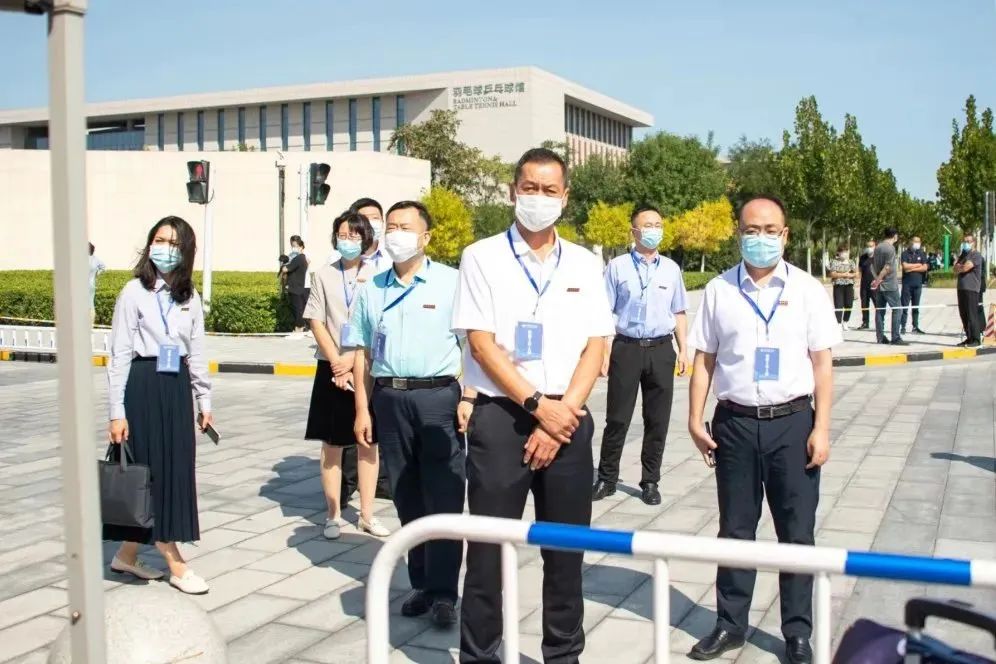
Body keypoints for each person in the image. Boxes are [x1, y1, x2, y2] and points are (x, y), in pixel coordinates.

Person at [453, 147, 615, 663]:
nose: (538, 198)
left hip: (568, 418)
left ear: (565, 197)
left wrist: (559, 414)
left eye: (549, 190)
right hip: (503, 418)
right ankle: (480, 655)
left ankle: (563, 655)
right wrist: (536, 405)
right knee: (488, 554)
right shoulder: (481, 257)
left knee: (565, 554)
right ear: (512, 192)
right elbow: (481, 344)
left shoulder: (586, 263)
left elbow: (596, 345)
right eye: (529, 188)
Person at [687, 196, 840, 664]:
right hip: (734, 424)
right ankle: (730, 624)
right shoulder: (718, 290)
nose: (761, 238)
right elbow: (704, 360)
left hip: (792, 423)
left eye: (770, 230)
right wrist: (694, 419)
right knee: (735, 529)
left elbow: (823, 364)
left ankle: (797, 632)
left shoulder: (808, 290)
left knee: (797, 532)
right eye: (752, 229)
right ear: (739, 232)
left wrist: (822, 428)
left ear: (785, 235)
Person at [346, 200, 467, 628]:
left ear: (426, 237)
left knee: (444, 494)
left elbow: (473, 347)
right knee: (406, 494)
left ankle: (446, 592)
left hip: (438, 399)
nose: (396, 234)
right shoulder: (371, 288)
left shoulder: (453, 283)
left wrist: (469, 398)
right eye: (391, 226)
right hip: (389, 398)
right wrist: (362, 408)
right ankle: (422, 584)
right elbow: (362, 353)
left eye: (405, 227)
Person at [105, 216, 214, 595]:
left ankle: (127, 554)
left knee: (175, 469)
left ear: (186, 251)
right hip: (144, 385)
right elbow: (119, 354)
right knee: (149, 472)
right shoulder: (133, 292)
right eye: (159, 240)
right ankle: (175, 562)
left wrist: (204, 398)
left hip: (176, 387)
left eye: (173, 243)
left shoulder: (190, 296)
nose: (165, 248)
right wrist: (116, 411)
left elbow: (196, 351)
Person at [592, 204, 688, 506]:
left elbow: (679, 311)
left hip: (661, 349)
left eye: (658, 224)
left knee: (657, 420)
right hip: (626, 348)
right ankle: (607, 478)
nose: (653, 230)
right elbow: (604, 312)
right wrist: (604, 350)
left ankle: (650, 481)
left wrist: (684, 349)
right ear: (634, 231)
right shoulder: (617, 267)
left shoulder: (671, 269)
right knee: (617, 418)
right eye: (647, 225)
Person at [304, 210, 390, 540]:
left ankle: (367, 514)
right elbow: (316, 320)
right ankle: (333, 514)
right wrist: (336, 361)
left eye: (355, 235)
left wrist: (351, 359)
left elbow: (377, 325)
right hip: (331, 366)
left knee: (368, 441)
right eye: (343, 234)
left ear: (366, 238)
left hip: (365, 364)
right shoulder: (323, 275)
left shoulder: (379, 276)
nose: (348, 240)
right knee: (332, 443)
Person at [338, 197, 395, 506]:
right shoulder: (340, 261)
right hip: (346, 350)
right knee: (350, 417)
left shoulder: (390, 259)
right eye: (364, 218)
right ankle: (346, 482)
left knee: (377, 415)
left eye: (376, 218)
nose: (371, 224)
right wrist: (343, 356)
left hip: (379, 350)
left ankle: (380, 479)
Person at [871, 227, 906, 346]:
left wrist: (876, 279)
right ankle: (895, 337)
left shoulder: (878, 247)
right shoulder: (890, 248)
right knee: (897, 309)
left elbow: (872, 265)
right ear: (895, 236)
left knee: (880, 311)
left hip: (880, 286)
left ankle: (880, 337)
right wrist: (878, 279)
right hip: (889, 284)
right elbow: (887, 267)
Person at [954, 234, 984, 347]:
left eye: (968, 241)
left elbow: (966, 267)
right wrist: (960, 266)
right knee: (964, 314)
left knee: (972, 315)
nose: (965, 243)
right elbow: (954, 268)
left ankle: (976, 339)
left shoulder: (976, 255)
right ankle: (969, 338)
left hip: (971, 288)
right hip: (961, 288)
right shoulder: (963, 255)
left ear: (973, 242)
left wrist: (960, 267)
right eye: (964, 241)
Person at [900, 236, 929, 335]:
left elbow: (925, 267)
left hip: (918, 284)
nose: (917, 243)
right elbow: (905, 266)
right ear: (911, 242)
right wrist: (918, 265)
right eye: (915, 241)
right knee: (904, 306)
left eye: (919, 241)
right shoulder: (905, 253)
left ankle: (915, 326)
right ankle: (902, 326)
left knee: (916, 307)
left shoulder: (922, 253)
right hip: (907, 284)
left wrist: (911, 269)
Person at [827, 243, 857, 332]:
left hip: (849, 285)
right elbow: (832, 274)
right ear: (838, 253)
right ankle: (838, 323)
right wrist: (844, 274)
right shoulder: (834, 262)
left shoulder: (851, 262)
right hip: (838, 285)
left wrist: (850, 275)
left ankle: (845, 322)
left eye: (846, 252)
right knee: (839, 304)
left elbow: (856, 273)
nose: (845, 254)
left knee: (849, 304)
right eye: (842, 252)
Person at [283, 235, 310, 334]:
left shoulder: (301, 256)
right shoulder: (293, 256)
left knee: (300, 307)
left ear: (301, 246)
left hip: (303, 284)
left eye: (295, 246)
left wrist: (286, 265)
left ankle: (301, 327)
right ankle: (303, 327)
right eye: (292, 245)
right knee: (299, 307)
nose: (293, 248)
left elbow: (286, 269)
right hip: (297, 284)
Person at [856, 240, 876, 329]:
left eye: (871, 246)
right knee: (864, 304)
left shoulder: (878, 257)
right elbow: (860, 270)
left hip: (875, 284)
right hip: (864, 284)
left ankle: (879, 322)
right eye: (868, 246)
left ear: (875, 246)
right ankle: (865, 322)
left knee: (877, 303)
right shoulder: (863, 257)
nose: (869, 248)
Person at [88, 242, 106, 325]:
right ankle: (90, 323)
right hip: (91, 284)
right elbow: (103, 267)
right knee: (90, 303)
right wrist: (97, 273)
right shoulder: (95, 259)